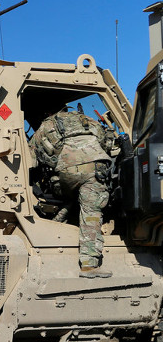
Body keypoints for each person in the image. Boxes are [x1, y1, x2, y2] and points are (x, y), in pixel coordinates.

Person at [29, 107, 113, 278]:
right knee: (91, 212)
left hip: (66, 172)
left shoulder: (47, 125)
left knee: (67, 194)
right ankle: (89, 265)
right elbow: (106, 144)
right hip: (95, 168)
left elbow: (31, 155)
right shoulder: (88, 120)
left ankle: (54, 227)